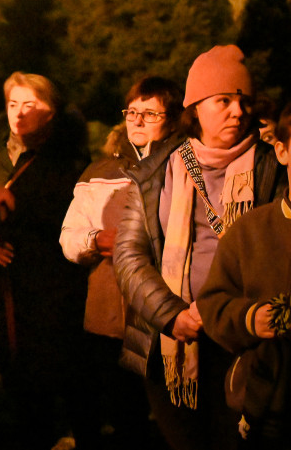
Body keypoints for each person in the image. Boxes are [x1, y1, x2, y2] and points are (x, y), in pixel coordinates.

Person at [114, 45, 287, 450]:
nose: (237, 111)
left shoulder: (273, 167)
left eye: (243, 101)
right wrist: (170, 314)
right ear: (196, 106)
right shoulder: (158, 170)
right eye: (223, 100)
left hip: (246, 340)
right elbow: (129, 254)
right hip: (174, 344)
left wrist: (239, 314)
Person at [0, 71, 93, 450]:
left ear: (52, 111)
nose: (19, 113)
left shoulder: (69, 159)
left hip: (52, 293)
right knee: (14, 378)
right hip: (6, 285)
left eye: (30, 104)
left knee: (53, 379)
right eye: (13, 104)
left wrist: (22, 208)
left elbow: (73, 215)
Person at [59, 76, 183, 446]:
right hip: (110, 315)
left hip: (168, 312)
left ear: (173, 120)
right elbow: (69, 234)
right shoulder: (101, 173)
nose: (138, 120)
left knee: (172, 414)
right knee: (124, 411)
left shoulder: (187, 169)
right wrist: (95, 240)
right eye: (132, 112)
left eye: (151, 113)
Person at [198, 102, 291, 448]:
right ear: (281, 151)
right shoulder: (250, 230)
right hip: (266, 407)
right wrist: (250, 318)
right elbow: (213, 304)